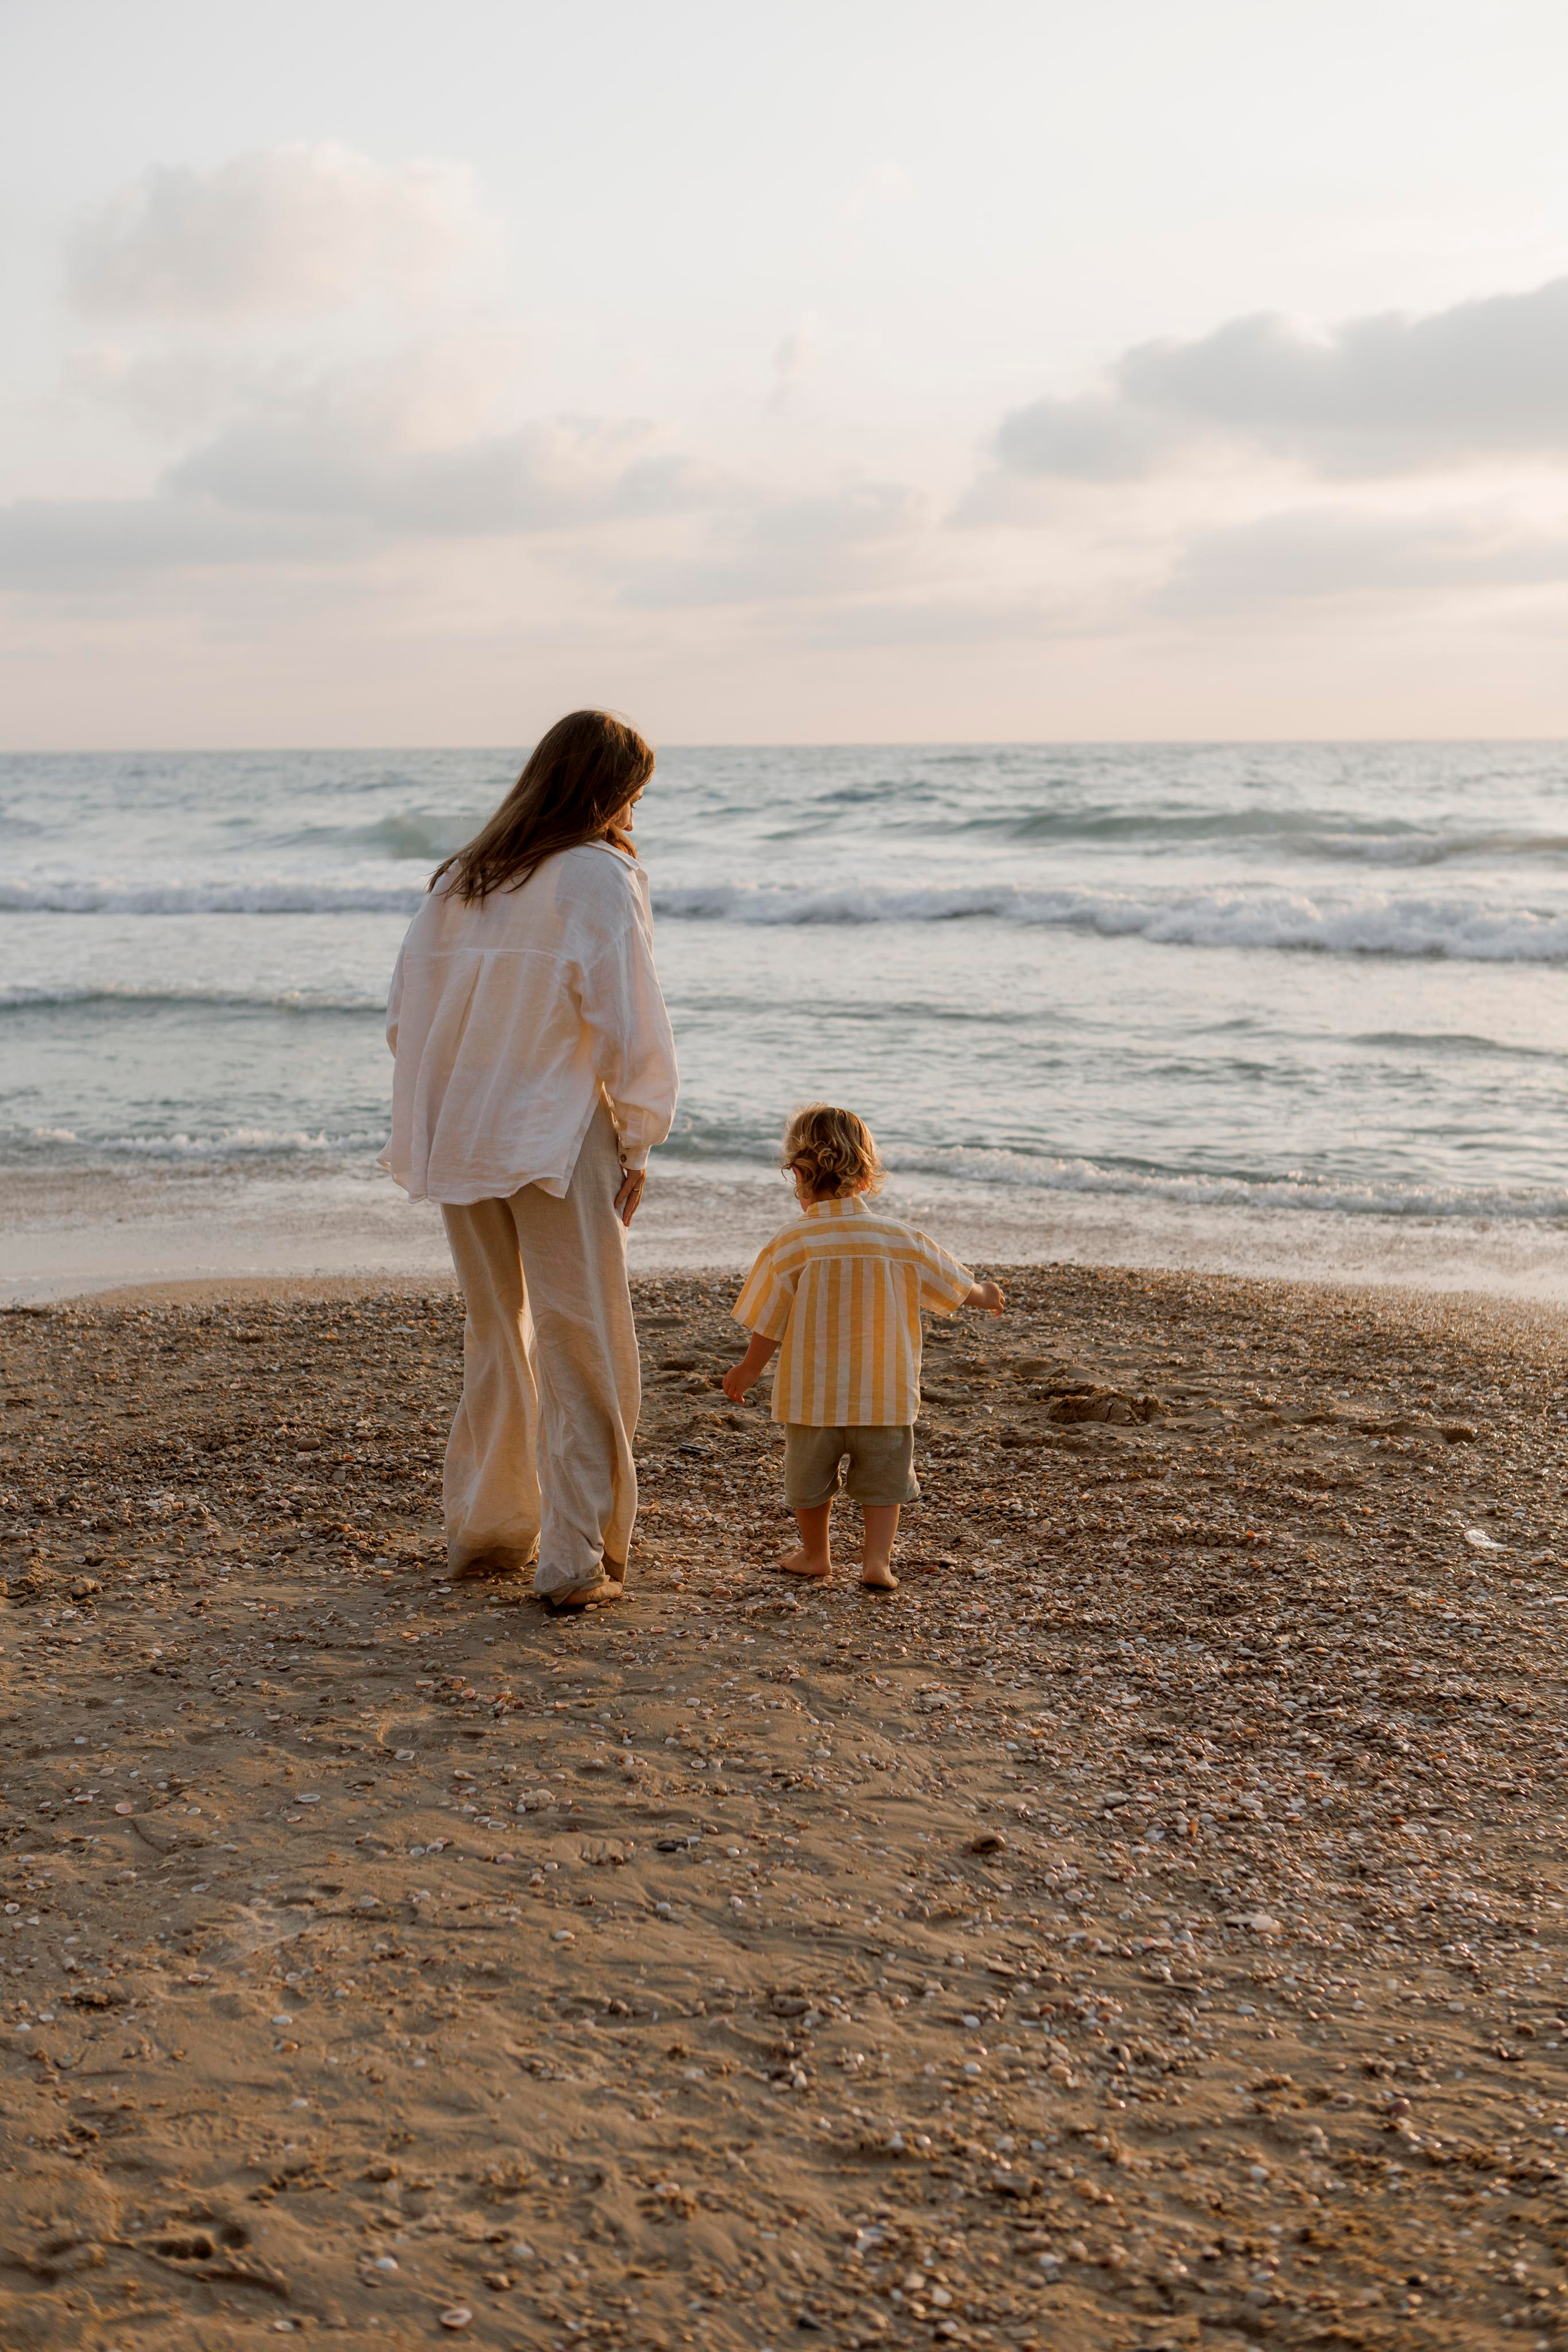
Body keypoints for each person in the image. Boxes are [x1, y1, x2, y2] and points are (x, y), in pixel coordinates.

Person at [381, 710, 678, 1611]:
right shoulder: (598, 874)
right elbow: (630, 1021)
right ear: (610, 788)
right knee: (582, 1338)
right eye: (635, 789)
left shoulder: (464, 876)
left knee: (495, 1332)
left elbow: (405, 1018)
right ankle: (577, 1559)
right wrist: (636, 1138)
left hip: (462, 1128)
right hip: (551, 1130)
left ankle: (488, 1530)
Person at [722, 1104, 1004, 1589]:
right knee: (883, 1485)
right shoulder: (900, 1239)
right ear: (868, 1174)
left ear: (797, 1174)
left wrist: (749, 1369)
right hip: (885, 1396)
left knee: (809, 1485)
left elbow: (769, 1320)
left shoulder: (792, 1243)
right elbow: (957, 1286)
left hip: (812, 1400)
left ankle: (816, 1555)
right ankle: (877, 1563)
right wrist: (988, 1295)